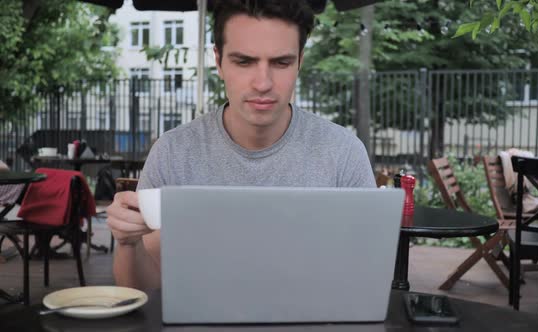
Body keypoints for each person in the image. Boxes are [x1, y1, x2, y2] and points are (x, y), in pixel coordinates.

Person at [106, 0, 376, 290]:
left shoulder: (343, 153)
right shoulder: (173, 153)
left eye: (281, 62)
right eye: (244, 61)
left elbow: (366, 279)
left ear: (300, 62)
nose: (262, 83)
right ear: (219, 61)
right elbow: (146, 291)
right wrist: (127, 244)